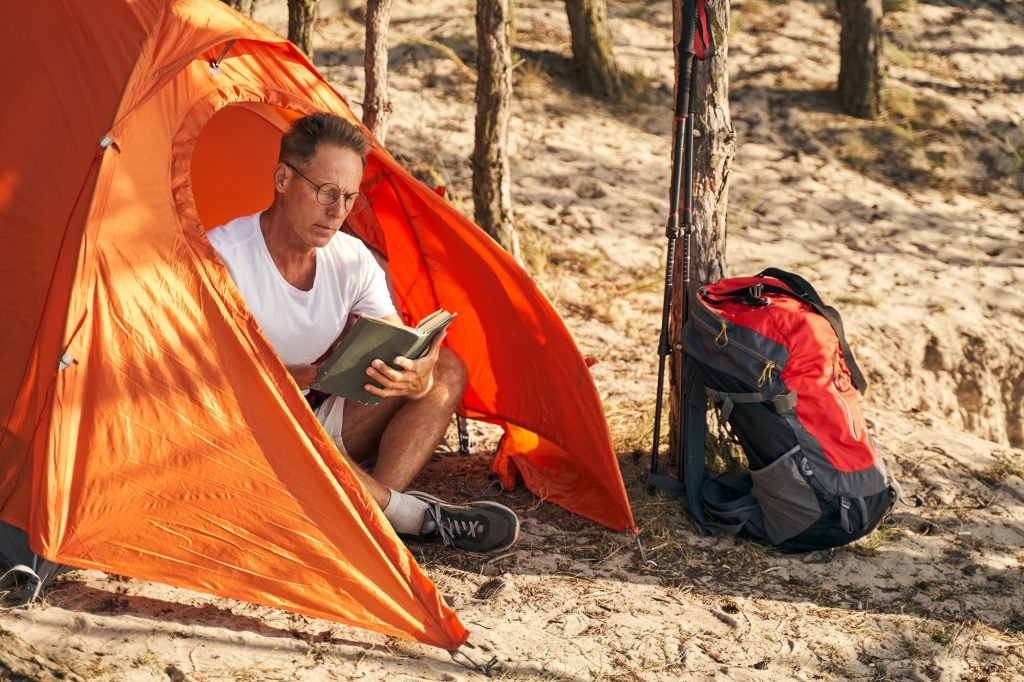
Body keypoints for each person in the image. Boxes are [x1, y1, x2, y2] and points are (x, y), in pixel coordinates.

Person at [207, 112, 519, 553]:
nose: (337, 212)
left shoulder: (349, 257)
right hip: (253, 435)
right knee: (284, 421)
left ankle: (374, 516)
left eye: (349, 198)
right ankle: (410, 516)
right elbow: (217, 381)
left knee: (447, 369)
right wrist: (310, 378)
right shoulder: (222, 257)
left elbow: (396, 339)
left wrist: (418, 373)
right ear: (281, 178)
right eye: (325, 192)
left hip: (326, 418)